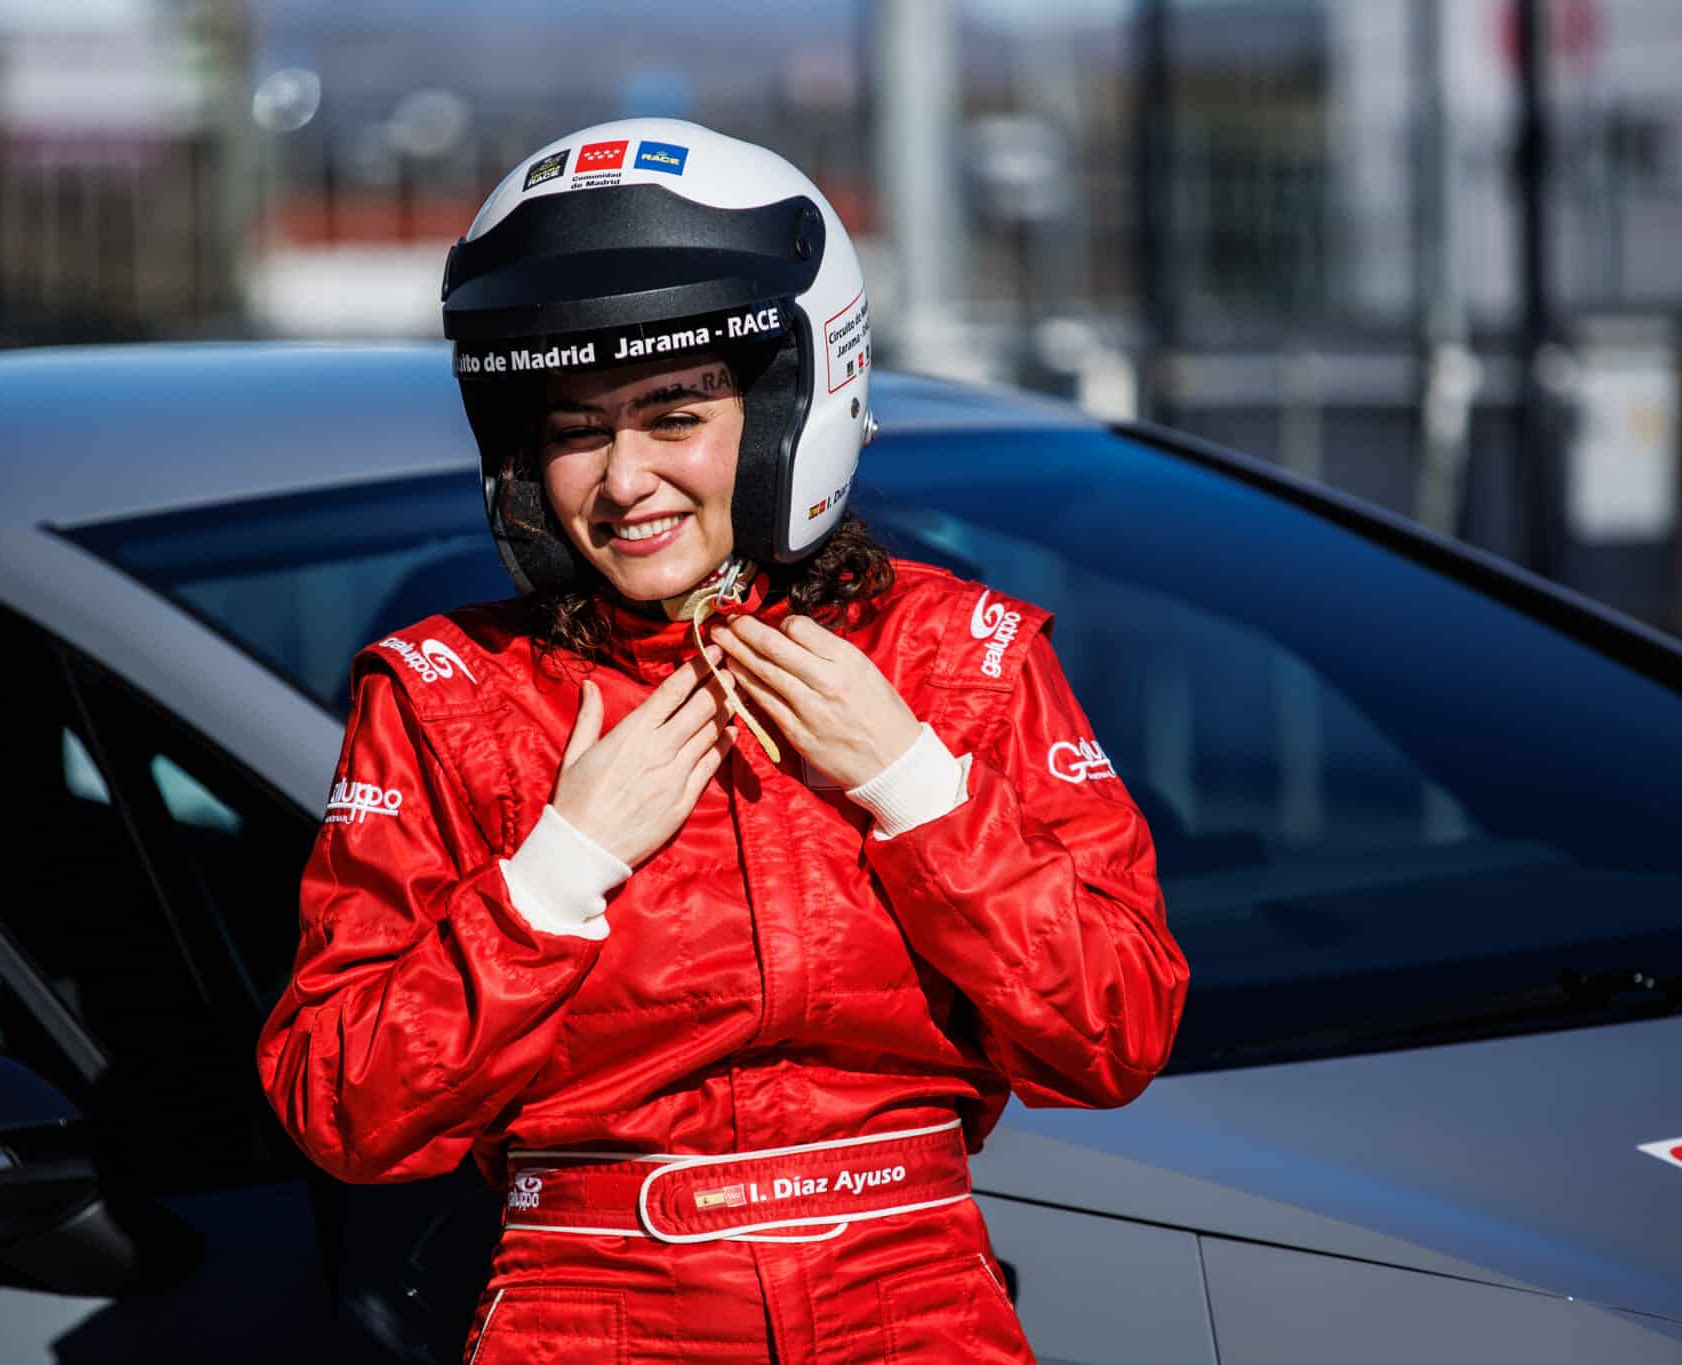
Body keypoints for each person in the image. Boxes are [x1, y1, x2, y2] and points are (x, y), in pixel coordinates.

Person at [257, 119, 1188, 1364]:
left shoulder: (959, 655)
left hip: (914, 1302)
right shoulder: (446, 694)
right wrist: (556, 871)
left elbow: (1114, 1033)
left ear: (793, 400)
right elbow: (344, 1103)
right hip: (592, 1309)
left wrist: (914, 787)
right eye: (578, 427)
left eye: (672, 411)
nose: (623, 478)